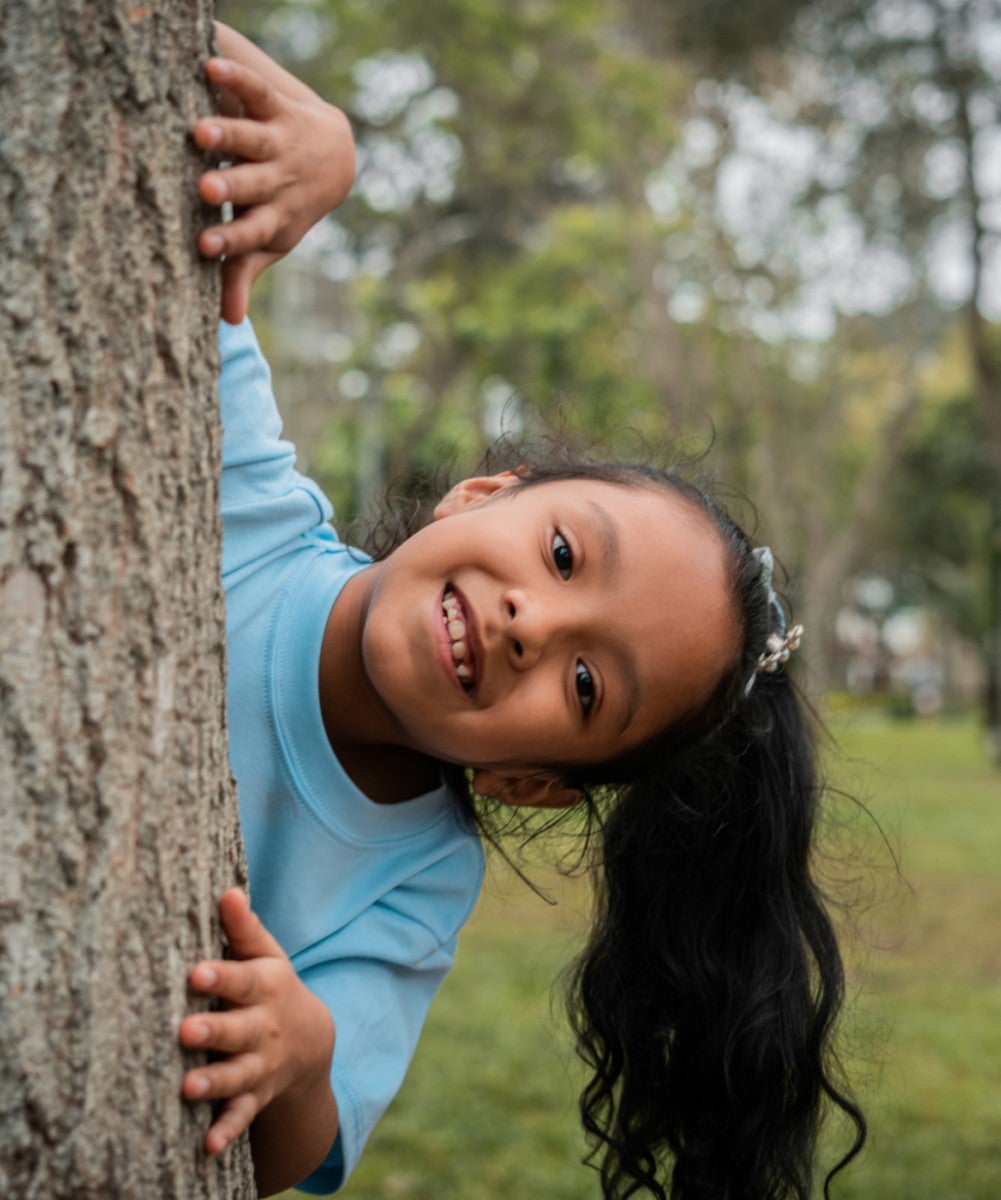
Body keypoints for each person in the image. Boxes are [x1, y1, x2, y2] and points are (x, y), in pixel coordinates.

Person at [178, 25, 866, 1200]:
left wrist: (298, 1057)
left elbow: (308, 1143)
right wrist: (323, 150)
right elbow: (183, 194)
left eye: (585, 688)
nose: (529, 626)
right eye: (558, 552)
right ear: (479, 494)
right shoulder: (239, 493)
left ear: (531, 783)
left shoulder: (417, 878)